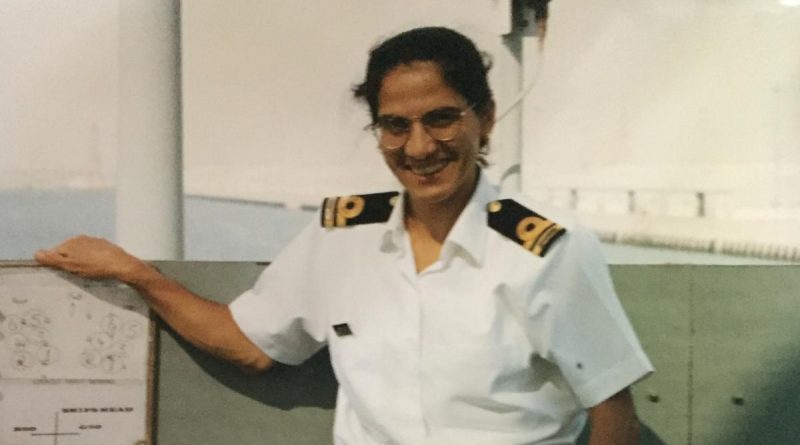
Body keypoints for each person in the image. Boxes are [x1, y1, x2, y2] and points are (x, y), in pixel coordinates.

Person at [36, 26, 653, 444]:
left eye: (441, 118)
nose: (419, 147)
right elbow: (250, 344)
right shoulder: (341, 237)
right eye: (394, 125)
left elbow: (611, 408)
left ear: (484, 117)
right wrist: (134, 273)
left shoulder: (544, 249)